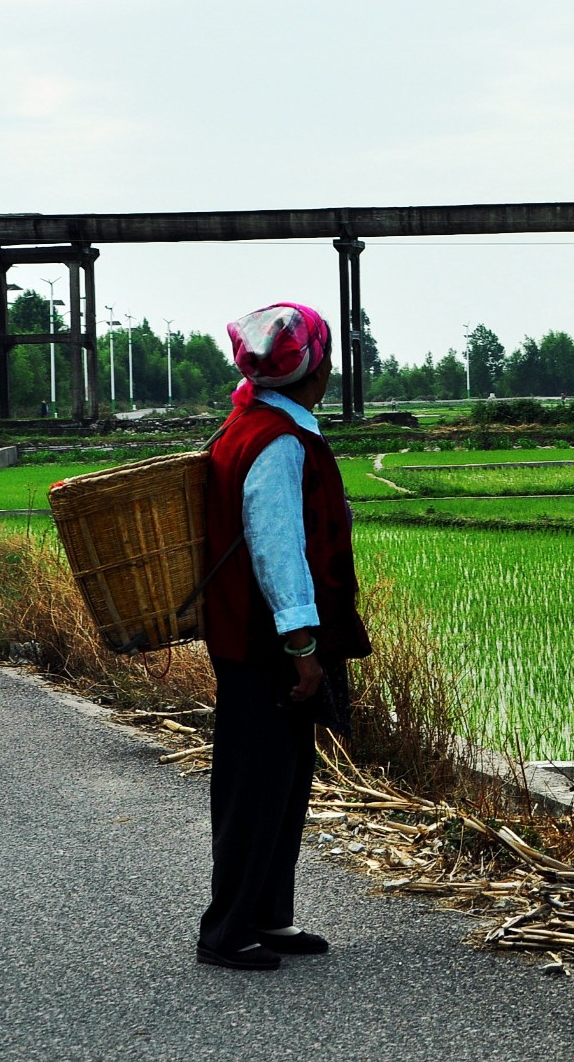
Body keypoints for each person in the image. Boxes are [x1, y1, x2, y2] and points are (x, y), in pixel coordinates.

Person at [196, 302, 372, 971]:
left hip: (260, 637)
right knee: (255, 784)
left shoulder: (257, 424)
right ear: (316, 369)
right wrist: (302, 647)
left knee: (282, 780)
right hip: (265, 643)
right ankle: (226, 928)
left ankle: (269, 917)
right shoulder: (276, 442)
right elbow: (278, 549)